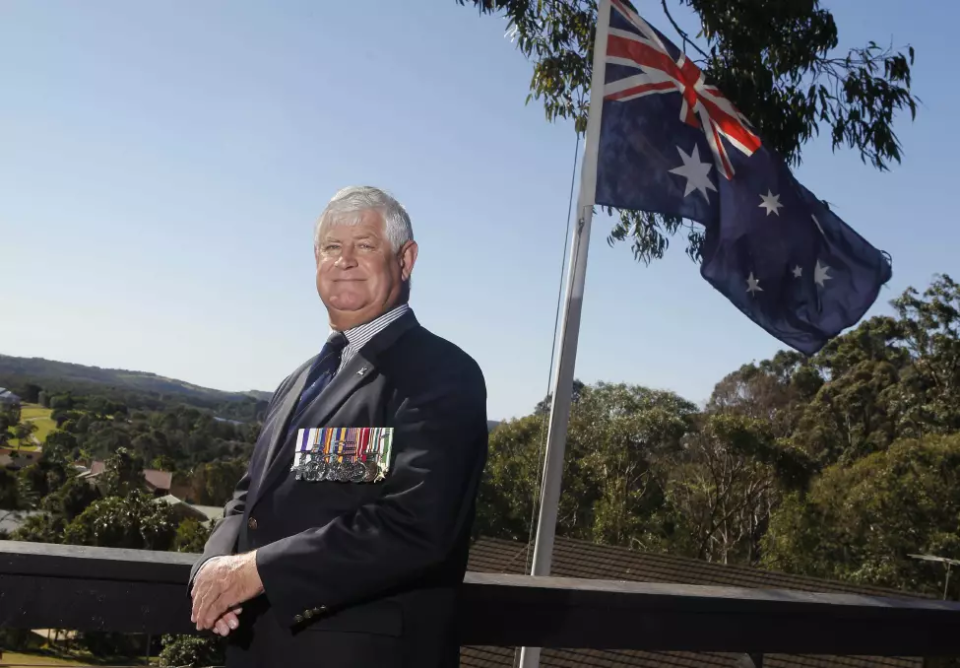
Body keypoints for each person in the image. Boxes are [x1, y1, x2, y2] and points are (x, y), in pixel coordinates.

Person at [189, 186, 489, 668]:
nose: (344, 260)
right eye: (332, 247)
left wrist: (255, 571)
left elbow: (417, 526)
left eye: (365, 245)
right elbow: (249, 498)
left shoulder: (443, 374)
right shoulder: (297, 380)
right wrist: (214, 567)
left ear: (405, 260)